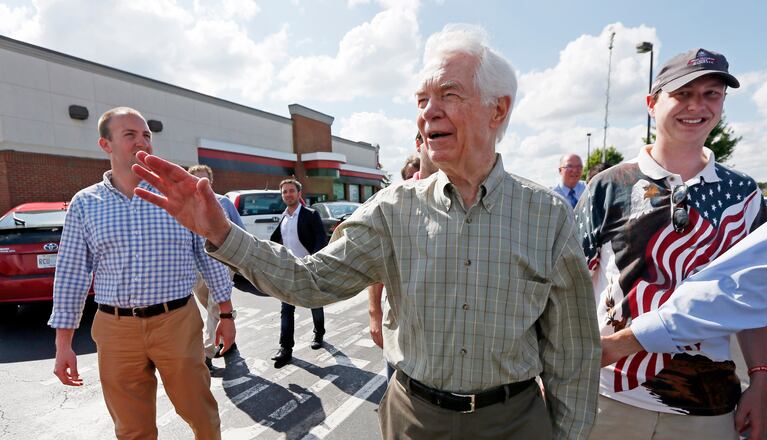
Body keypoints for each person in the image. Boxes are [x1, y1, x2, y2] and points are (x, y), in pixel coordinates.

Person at [132, 23, 600, 440]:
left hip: (513, 423)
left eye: (449, 95)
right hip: (415, 420)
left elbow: (574, 355)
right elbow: (309, 281)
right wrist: (223, 233)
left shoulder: (548, 216)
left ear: (497, 111)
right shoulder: (393, 210)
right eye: (422, 101)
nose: (428, 113)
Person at [576, 48, 767, 440]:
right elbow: (568, 286)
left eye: (711, 94)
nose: (696, 106)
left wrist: (761, 378)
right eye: (682, 94)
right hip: (608, 398)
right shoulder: (609, 185)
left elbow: (751, 298)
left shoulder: (743, 195)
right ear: (652, 103)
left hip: (708, 406)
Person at [49, 107, 236, 440]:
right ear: (105, 145)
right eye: (130, 134)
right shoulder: (85, 203)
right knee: (132, 429)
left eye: (147, 135)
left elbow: (208, 254)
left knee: (200, 413)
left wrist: (226, 312)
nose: (143, 142)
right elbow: (72, 273)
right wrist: (63, 343)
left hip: (176, 322)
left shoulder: (179, 194)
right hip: (115, 329)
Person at [600, 202, 767, 363]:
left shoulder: (747, 192)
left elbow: (756, 280)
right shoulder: (606, 185)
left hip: (704, 387)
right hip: (614, 383)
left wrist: (760, 372)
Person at [368, 131, 439, 381]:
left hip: (439, 329)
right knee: (396, 387)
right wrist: (374, 313)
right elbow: (377, 265)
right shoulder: (394, 203)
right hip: (400, 322)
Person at [188, 164, 245, 371]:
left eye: (204, 180)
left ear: (210, 182)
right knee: (214, 309)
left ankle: (207, 353)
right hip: (195, 267)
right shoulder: (185, 205)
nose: (200, 184)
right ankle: (226, 335)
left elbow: (240, 231)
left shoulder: (224, 203)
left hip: (221, 264)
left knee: (215, 306)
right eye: (195, 180)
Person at [269, 178, 329, 368]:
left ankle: (319, 333)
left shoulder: (310, 215)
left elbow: (321, 238)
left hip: (308, 268)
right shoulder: (283, 217)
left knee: (314, 303)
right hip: (288, 270)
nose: (288, 194)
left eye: (291, 191)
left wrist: (313, 260)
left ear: (299, 193)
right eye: (284, 192)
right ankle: (285, 349)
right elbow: (277, 241)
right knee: (286, 309)